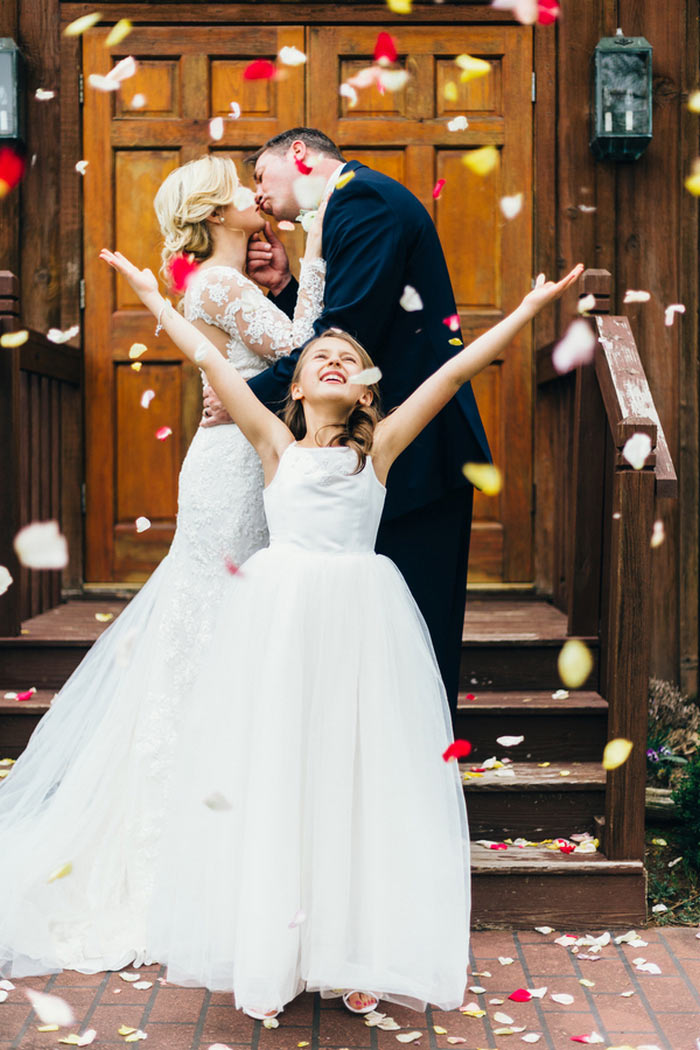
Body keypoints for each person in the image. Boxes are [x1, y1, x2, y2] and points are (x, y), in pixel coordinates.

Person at [100, 243, 582, 1021]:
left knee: (356, 777)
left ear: (365, 386)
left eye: (346, 357)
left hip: (361, 626)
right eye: (318, 355)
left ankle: (355, 945)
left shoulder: (380, 449)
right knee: (282, 773)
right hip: (281, 627)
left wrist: (527, 313)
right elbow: (204, 354)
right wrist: (149, 294)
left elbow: (454, 375)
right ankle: (277, 948)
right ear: (293, 382)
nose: (332, 361)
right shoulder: (272, 443)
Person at [0, 154, 326, 979]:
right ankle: (182, 847)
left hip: (240, 458)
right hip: (234, 471)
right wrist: (317, 252)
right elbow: (302, 346)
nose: (257, 199)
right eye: (240, 191)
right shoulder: (218, 285)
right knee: (213, 629)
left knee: (218, 629)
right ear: (217, 211)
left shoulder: (217, 280)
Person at [244, 127, 492, 717]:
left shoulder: (363, 199)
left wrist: (246, 400)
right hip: (377, 454)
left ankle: (418, 777)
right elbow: (347, 330)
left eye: (260, 176)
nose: (257, 196)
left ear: (298, 155)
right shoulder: (355, 203)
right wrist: (285, 287)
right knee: (374, 637)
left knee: (417, 633)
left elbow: (348, 331)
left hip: (415, 452)